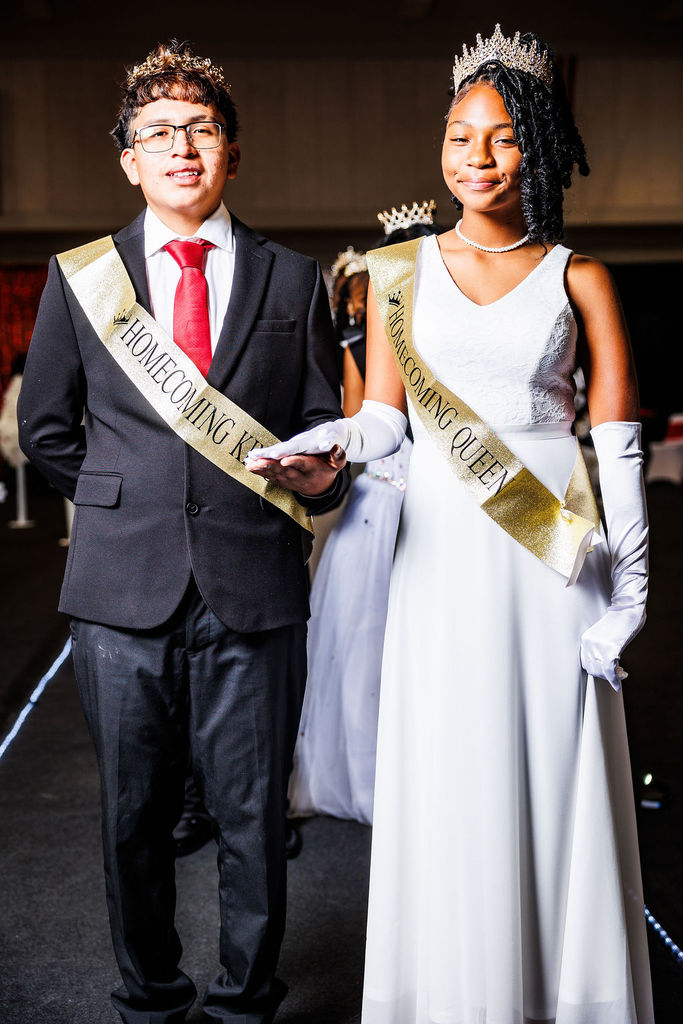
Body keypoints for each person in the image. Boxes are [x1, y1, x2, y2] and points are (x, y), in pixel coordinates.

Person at [248, 25, 653, 1023]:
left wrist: (632, 599)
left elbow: (618, 446)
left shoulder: (580, 276)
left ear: (538, 148)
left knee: (549, 767)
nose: (476, 156)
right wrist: (324, 441)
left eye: (502, 137)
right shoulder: (397, 270)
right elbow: (385, 421)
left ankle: (560, 994)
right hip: (437, 550)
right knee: (448, 765)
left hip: (548, 551)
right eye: (458, 135)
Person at [18, 40, 348, 1024]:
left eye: (200, 129)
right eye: (158, 133)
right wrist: (125, 502)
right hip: (121, 590)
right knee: (132, 815)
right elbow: (46, 429)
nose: (181, 148)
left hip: (255, 584)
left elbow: (323, 427)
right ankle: (151, 998)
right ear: (129, 159)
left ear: (232, 153)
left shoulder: (293, 280)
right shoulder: (83, 277)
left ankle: (244, 1003)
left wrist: (318, 477)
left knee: (252, 815)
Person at [288, 204, 442, 825]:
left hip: (384, 495)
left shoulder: (361, 335)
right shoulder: (422, 328)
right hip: (402, 499)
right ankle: (411, 779)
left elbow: (356, 417)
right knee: (394, 646)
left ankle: (379, 776)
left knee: (365, 650)